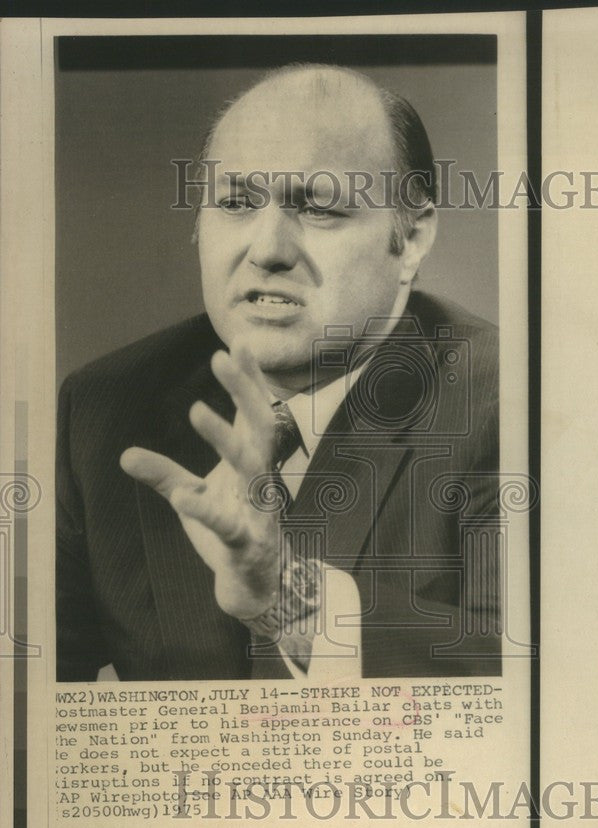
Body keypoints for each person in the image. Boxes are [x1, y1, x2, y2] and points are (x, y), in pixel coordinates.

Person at [56, 63, 502, 682]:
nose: (267, 249)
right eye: (236, 203)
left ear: (414, 236)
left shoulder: (507, 402)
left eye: (318, 208)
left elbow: (539, 692)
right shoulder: (104, 408)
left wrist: (290, 601)